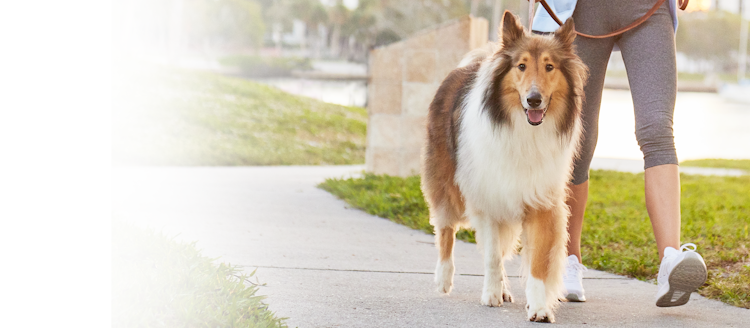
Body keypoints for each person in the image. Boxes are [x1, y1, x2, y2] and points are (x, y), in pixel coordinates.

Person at [531, 0, 708, 307]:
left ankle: (670, 260)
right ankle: (569, 259)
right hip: (581, 12)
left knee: (657, 130)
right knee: (577, 138)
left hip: (647, 9)